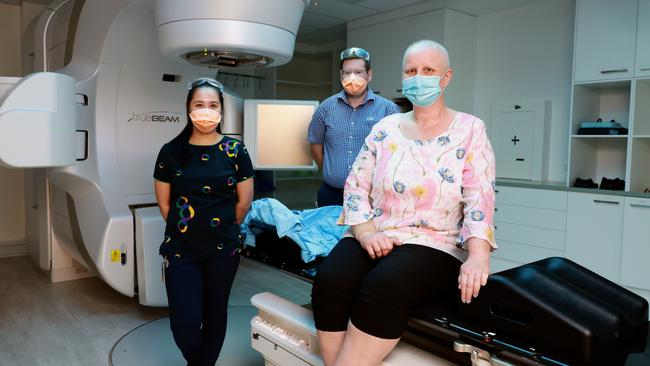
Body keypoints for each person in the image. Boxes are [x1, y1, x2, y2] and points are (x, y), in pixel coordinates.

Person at [310, 40, 497, 366]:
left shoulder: (469, 129)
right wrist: (366, 233)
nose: (418, 77)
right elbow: (356, 185)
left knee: (384, 286)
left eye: (428, 70)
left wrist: (478, 255)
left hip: (435, 241)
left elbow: (479, 194)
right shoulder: (386, 128)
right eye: (411, 71)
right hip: (377, 231)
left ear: (446, 77)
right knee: (330, 279)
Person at [153, 77, 254, 366]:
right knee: (184, 322)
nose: (206, 110)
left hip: (223, 249)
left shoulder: (236, 151)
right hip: (181, 249)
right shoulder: (171, 152)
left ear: (222, 110)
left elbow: (243, 201)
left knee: (214, 313)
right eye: (199, 104)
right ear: (188, 108)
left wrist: (221, 227)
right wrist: (186, 228)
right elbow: (165, 203)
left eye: (213, 105)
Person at [307, 47, 401, 207]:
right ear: (340, 75)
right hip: (331, 194)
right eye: (346, 72)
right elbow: (315, 145)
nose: (352, 77)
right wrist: (330, 171)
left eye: (358, 72)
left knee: (366, 233)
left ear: (369, 75)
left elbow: (397, 151)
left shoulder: (388, 110)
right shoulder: (326, 108)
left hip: (372, 197)